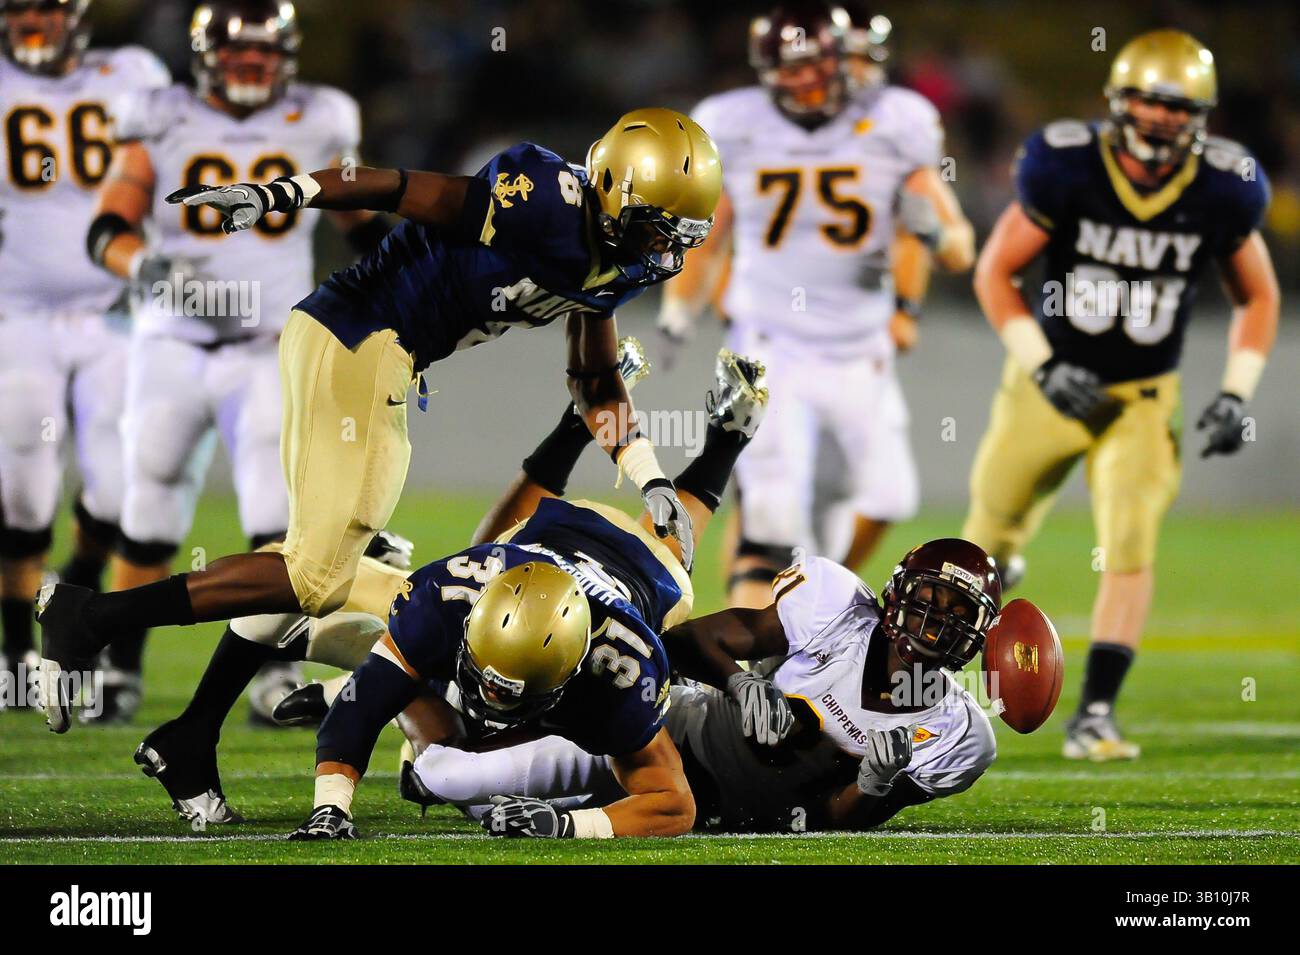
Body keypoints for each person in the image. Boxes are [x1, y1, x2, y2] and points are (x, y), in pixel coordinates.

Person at [37, 96, 723, 734]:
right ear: (610, 192)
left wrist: (651, 477)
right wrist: (284, 193)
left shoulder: (630, 260)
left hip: (381, 352)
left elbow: (596, 380)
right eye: (655, 226)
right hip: (363, 335)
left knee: (319, 562)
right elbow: (402, 188)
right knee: (317, 573)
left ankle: (187, 726)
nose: (664, 249)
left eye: (680, 233)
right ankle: (90, 617)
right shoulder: (543, 197)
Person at [960, 30, 1279, 760]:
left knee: (1130, 544)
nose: (1162, 117)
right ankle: (929, 695)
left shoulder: (1224, 185)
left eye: (1178, 105)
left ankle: (1095, 712)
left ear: (1202, 114)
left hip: (1140, 396)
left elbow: (1257, 294)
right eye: (1148, 99)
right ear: (1118, 101)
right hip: (1047, 388)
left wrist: (1236, 392)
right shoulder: (1067, 166)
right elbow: (993, 273)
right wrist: (1043, 364)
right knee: (981, 545)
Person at [79, 0, 386, 723]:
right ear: (206, 55)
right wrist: (154, 272)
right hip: (172, 341)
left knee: (279, 518)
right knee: (149, 503)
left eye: (264, 56)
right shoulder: (159, 114)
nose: (253, 68)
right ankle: (121, 666)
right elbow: (105, 229)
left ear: (287, 55)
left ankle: (272, 672)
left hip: (270, 347)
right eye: (239, 56)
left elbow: (362, 227)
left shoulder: (321, 116)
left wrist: (403, 304)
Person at [657, 1, 974, 608]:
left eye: (816, 66)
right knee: (772, 522)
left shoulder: (892, 120)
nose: (805, 83)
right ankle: (753, 656)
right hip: (770, 344)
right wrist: (680, 312)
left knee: (884, 499)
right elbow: (708, 232)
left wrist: (931, 234)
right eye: (791, 70)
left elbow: (960, 248)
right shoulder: (734, 122)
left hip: (860, 350)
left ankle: (811, 604)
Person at [403, 540, 1000, 836]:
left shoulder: (956, 735)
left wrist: (876, 785)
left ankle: (480, 728)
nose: (933, 624)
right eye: (928, 603)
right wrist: (742, 684)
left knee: (495, 815)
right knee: (449, 779)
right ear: (896, 596)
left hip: (707, 811)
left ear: (976, 635)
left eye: (955, 614)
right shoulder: (838, 612)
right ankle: (397, 671)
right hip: (659, 738)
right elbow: (685, 644)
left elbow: (832, 821)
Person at [0, 0, 168, 709]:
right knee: (22, 491)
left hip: (113, 316)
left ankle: (74, 596)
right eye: (20, 9)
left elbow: (166, 169)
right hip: (20, 314)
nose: (31, 21)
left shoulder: (132, 74)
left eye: (44, 7)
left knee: (120, 486)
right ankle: (13, 650)